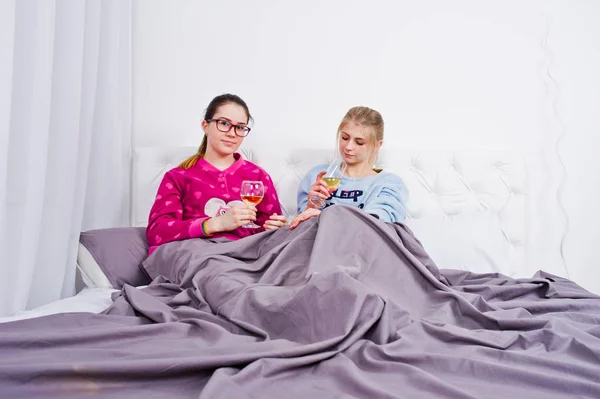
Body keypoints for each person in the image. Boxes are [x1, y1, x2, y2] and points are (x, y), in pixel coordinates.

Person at [146, 94, 287, 254]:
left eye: (240, 127)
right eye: (224, 123)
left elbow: (268, 237)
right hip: (197, 254)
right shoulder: (178, 177)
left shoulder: (258, 177)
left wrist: (275, 228)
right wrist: (215, 224)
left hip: (246, 257)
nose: (232, 133)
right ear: (205, 126)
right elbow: (157, 233)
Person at [291, 106, 408, 229]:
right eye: (345, 138)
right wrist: (311, 207)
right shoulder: (318, 175)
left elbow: (375, 226)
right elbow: (301, 229)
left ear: (377, 145)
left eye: (359, 142)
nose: (348, 147)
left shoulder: (389, 183)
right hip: (317, 241)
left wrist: (326, 217)